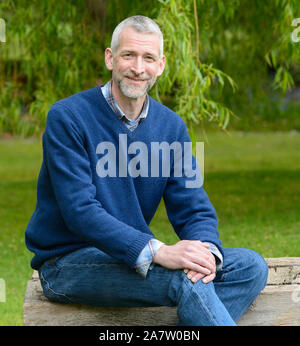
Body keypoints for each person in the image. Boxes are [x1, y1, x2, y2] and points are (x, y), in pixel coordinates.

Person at [25, 15, 268, 326]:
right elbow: (80, 211)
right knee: (185, 281)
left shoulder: (171, 127)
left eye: (148, 58)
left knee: (249, 267)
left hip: (125, 257)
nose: (138, 68)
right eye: (129, 55)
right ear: (110, 58)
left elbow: (194, 205)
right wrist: (159, 251)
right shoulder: (68, 118)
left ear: (161, 64)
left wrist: (205, 252)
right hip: (68, 263)